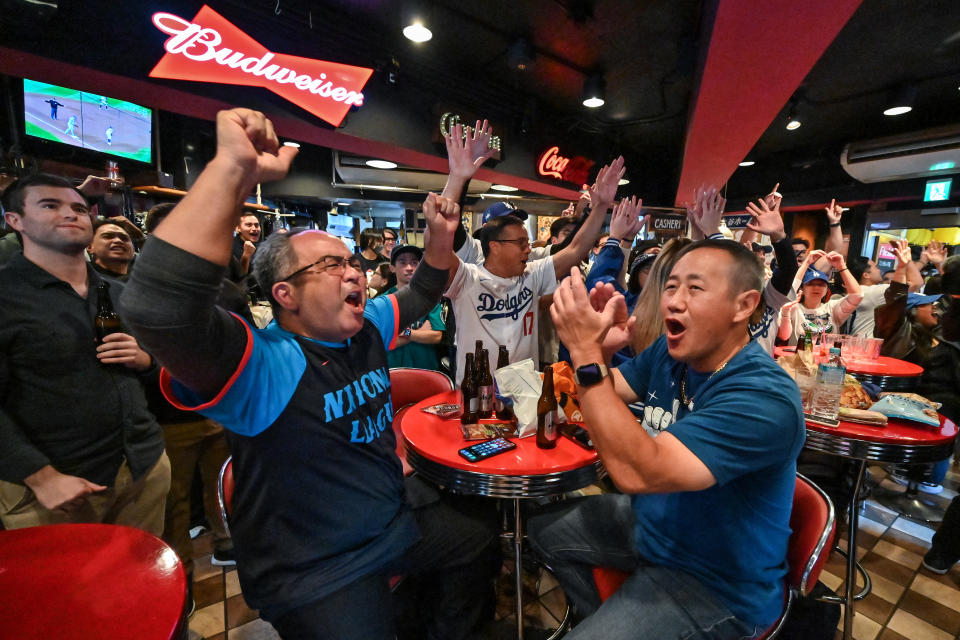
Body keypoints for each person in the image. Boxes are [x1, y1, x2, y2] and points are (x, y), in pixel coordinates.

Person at [118, 108, 498, 640]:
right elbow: (160, 309)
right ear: (284, 295)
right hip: (315, 567)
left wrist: (450, 203)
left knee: (479, 535)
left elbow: (425, 289)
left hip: (387, 521)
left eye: (352, 264)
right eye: (329, 266)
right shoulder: (261, 364)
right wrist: (231, 169)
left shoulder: (364, 327)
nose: (352, 272)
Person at [528, 240, 805, 639]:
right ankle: (595, 617)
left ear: (744, 306)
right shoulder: (671, 353)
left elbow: (638, 472)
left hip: (716, 584)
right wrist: (604, 352)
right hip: (656, 527)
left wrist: (585, 352)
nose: (674, 301)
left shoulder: (763, 398)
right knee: (541, 530)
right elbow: (611, 389)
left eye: (694, 288)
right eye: (671, 287)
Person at [0, 173, 169, 534]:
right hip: (55, 488)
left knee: (141, 587)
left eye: (79, 207)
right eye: (50, 205)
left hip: (144, 468)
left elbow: (162, 370)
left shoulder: (119, 292)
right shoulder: (6, 296)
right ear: (15, 220)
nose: (71, 214)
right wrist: (40, 477)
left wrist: (145, 360)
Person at [441, 122, 623, 380]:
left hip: (526, 393)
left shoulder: (532, 273)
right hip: (476, 395)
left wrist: (601, 206)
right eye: (521, 243)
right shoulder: (467, 275)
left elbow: (574, 249)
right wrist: (459, 177)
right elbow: (443, 235)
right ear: (494, 245)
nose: (530, 249)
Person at [777, 250, 862, 345]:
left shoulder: (833, 308)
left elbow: (857, 296)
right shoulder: (793, 308)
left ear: (827, 290)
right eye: (811, 284)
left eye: (821, 284)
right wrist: (806, 263)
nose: (816, 287)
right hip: (799, 358)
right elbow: (790, 293)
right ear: (802, 288)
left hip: (827, 358)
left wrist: (842, 267)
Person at [386, 245, 445, 372]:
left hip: (426, 368)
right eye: (402, 262)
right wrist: (420, 333)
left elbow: (436, 337)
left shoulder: (431, 298)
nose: (409, 268)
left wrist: (406, 333)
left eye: (414, 263)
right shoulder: (383, 301)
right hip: (394, 370)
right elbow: (383, 343)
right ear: (392, 267)